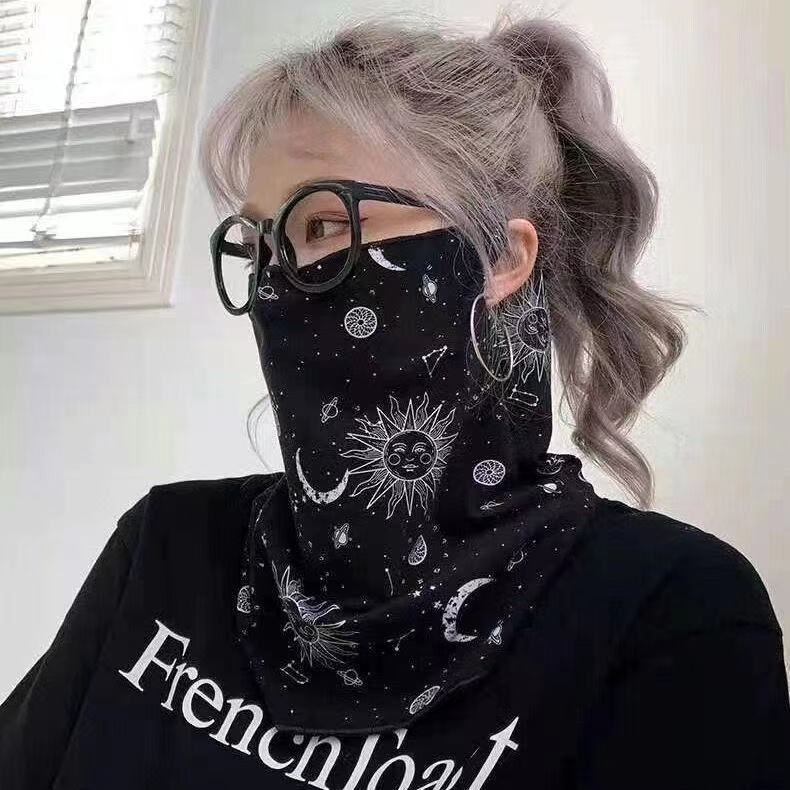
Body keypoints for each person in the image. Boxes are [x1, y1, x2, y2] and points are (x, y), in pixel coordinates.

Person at [1, 11, 788, 790]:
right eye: (260, 245)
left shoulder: (667, 615)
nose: (275, 286)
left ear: (500, 256)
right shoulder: (165, 550)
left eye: (324, 225)